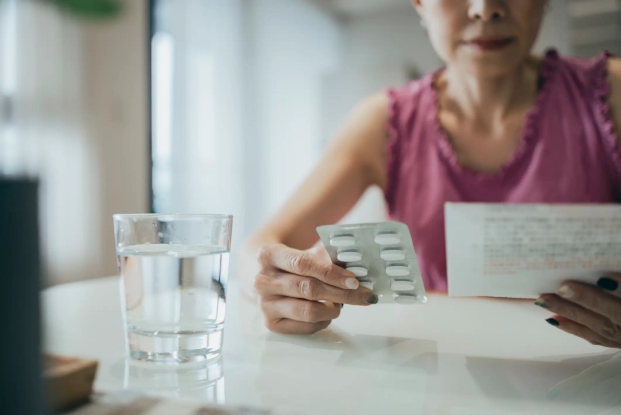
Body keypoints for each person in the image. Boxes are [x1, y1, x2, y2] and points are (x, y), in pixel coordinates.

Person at [241, 0, 621, 348]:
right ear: (420, 2)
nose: (485, 9)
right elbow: (260, 248)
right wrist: (279, 284)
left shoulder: (612, 96)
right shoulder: (382, 123)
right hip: (434, 383)